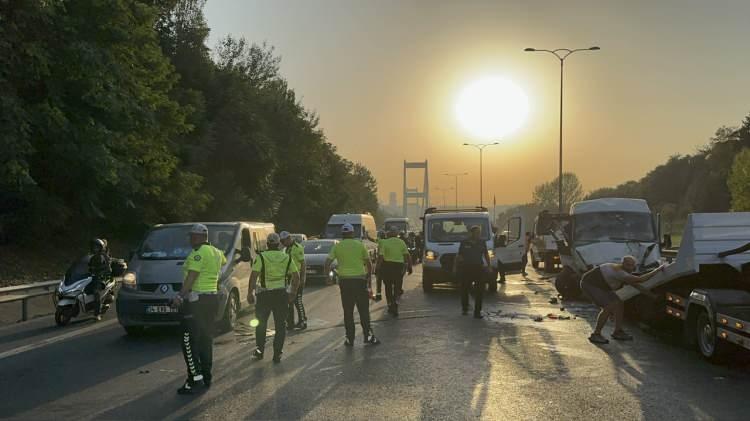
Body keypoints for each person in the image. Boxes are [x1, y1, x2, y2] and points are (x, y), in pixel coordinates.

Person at [172, 224, 226, 394]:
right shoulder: (217, 252)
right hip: (212, 299)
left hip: (197, 301)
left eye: (194, 236)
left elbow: (192, 276)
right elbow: (221, 265)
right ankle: (206, 376)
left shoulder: (198, 253)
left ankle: (194, 379)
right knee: (205, 338)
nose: (191, 239)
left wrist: (179, 296)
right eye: (191, 236)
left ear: (203, 237)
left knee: (188, 340)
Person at [580, 256, 666, 344]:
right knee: (609, 306)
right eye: (628, 265)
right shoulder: (619, 272)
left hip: (603, 286)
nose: (630, 267)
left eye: (632, 265)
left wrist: (652, 296)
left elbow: (636, 286)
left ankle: (617, 331)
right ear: (623, 264)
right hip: (590, 284)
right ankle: (596, 334)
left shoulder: (623, 272)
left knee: (619, 304)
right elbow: (640, 280)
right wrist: (658, 269)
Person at [247, 233, 300, 363]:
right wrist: (292, 293)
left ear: (267, 244)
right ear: (278, 244)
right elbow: (296, 276)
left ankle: (259, 351)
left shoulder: (261, 257)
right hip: (281, 295)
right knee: (280, 325)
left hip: (264, 295)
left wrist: (250, 293)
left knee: (260, 325)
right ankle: (277, 354)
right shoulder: (286, 257)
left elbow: (254, 276)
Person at [325, 223, 380, 346]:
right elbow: (369, 263)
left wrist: (328, 277)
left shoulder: (337, 247)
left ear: (342, 234)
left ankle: (350, 339)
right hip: (359, 281)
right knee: (363, 310)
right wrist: (369, 278)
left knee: (348, 311)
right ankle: (368, 336)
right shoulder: (359, 245)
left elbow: (327, 262)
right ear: (352, 233)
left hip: (345, 282)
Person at [453, 226, 492, 319]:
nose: (478, 234)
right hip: (466, 268)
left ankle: (477, 312)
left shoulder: (482, 242)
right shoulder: (464, 242)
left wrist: (489, 266)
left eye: (479, 233)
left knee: (480, 291)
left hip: (478, 268)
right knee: (465, 288)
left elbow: (486, 254)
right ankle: (465, 307)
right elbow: (459, 255)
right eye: (477, 232)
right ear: (471, 233)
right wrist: (455, 267)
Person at [377, 227, 412, 316]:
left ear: (389, 234)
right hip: (398, 267)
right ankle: (395, 302)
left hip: (387, 266)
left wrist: (377, 268)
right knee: (397, 286)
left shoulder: (385, 242)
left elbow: (381, 257)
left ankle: (389, 304)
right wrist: (410, 267)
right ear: (397, 234)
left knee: (388, 286)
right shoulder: (401, 242)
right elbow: (407, 256)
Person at [280, 231, 307, 330]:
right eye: (281, 241)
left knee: (297, 300)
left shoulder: (297, 248)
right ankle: (290, 322)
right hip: (288, 278)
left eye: (284, 241)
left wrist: (303, 278)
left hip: (297, 276)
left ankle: (303, 321)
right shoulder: (286, 249)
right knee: (289, 301)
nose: (282, 243)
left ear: (288, 238)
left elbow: (303, 264)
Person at [87, 238, 111, 321]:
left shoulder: (104, 257)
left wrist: (100, 270)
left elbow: (108, 269)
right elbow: (85, 265)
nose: (95, 249)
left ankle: (97, 314)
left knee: (96, 292)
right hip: (91, 277)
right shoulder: (90, 256)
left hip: (100, 278)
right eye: (94, 247)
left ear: (101, 248)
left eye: (97, 247)